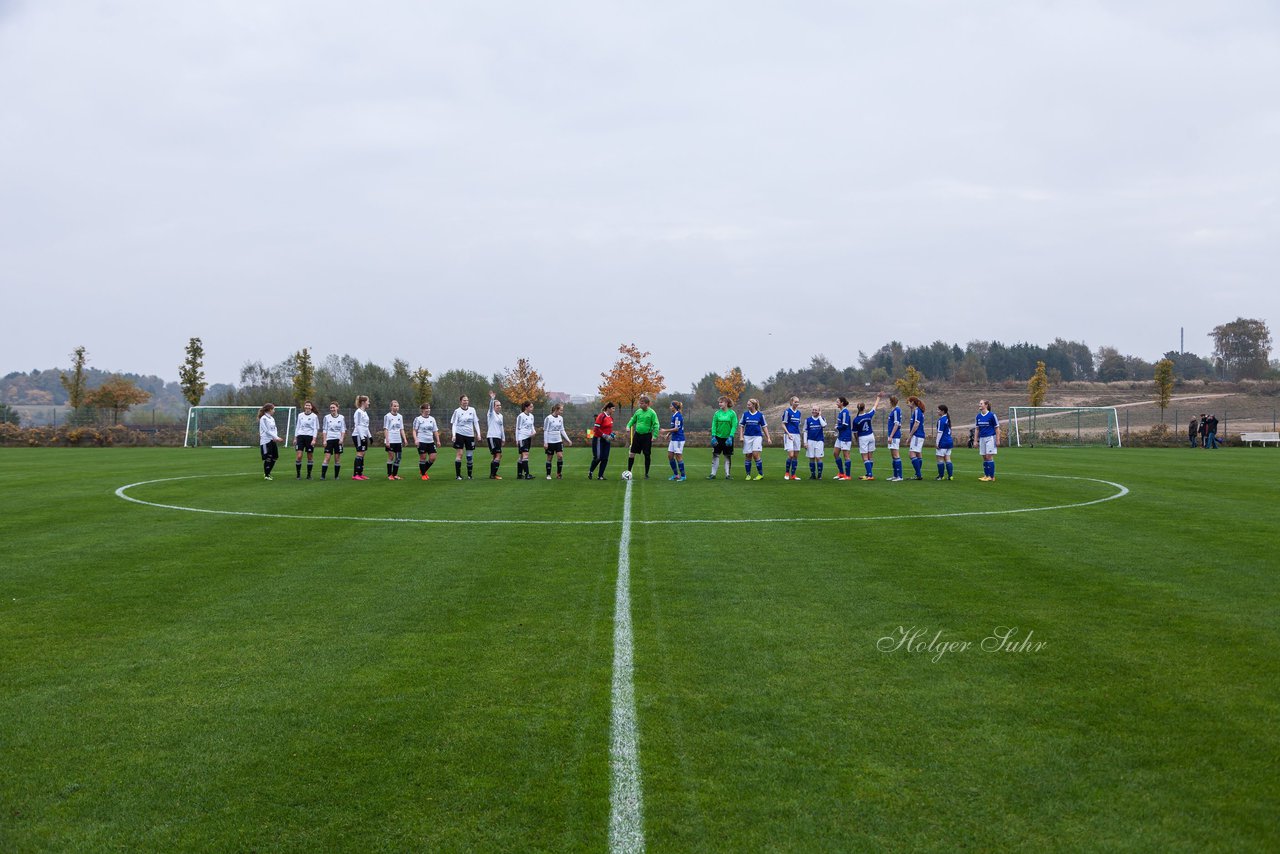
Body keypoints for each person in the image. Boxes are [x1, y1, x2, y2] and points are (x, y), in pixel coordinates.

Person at [626, 395, 661, 479]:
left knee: (647, 455)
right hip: (637, 435)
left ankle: (646, 474)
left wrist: (655, 435)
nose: (640, 405)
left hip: (647, 436)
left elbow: (656, 424)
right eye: (639, 403)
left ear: (647, 404)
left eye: (641, 403)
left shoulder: (652, 413)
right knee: (631, 453)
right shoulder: (638, 411)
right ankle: (629, 472)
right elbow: (632, 420)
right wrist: (628, 426)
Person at [450, 395, 482, 480]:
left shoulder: (472, 410)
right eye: (464, 400)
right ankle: (458, 475)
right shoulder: (457, 411)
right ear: (460, 401)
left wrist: (478, 434)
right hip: (459, 434)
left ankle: (470, 475)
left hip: (470, 435)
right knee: (460, 454)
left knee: (469, 456)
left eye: (467, 400)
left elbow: (476, 422)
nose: (466, 402)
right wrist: (454, 435)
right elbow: (454, 424)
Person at [738, 398, 771, 480]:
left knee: (755, 454)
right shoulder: (745, 414)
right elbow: (741, 426)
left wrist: (768, 438)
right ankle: (748, 475)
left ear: (753, 405)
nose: (747, 405)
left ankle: (760, 474)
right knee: (748, 455)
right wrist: (741, 436)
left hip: (757, 437)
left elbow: (764, 427)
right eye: (747, 404)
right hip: (747, 437)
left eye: (749, 404)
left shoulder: (760, 415)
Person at [853, 394, 882, 480]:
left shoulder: (856, 420)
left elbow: (855, 432)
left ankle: (869, 475)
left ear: (857, 409)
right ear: (864, 408)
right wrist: (878, 397)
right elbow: (875, 406)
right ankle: (869, 473)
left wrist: (856, 439)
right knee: (870, 457)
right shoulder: (869, 415)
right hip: (871, 436)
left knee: (865, 457)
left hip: (863, 438)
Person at [708, 396, 737, 479]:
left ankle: (728, 474)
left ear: (726, 403)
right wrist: (713, 436)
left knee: (727, 456)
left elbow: (734, 426)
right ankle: (713, 474)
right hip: (717, 438)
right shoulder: (717, 413)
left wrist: (731, 437)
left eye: (721, 402)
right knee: (715, 455)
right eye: (719, 402)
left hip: (728, 438)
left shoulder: (732, 413)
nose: (719, 404)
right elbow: (714, 425)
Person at [413, 403, 441, 480]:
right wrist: (416, 439)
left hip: (430, 442)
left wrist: (438, 440)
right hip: (421, 441)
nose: (428, 410)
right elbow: (414, 430)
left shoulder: (432, 419)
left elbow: (435, 431)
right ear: (422, 410)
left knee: (433, 457)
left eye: (429, 408)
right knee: (423, 457)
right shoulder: (418, 419)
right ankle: (423, 474)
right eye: (426, 408)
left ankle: (423, 469)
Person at [543, 402, 571, 478]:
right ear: (556, 409)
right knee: (549, 458)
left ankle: (559, 474)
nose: (562, 412)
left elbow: (562, 430)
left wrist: (568, 440)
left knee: (560, 456)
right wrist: (545, 442)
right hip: (550, 441)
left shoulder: (560, 418)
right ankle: (548, 474)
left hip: (558, 441)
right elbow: (545, 430)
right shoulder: (548, 418)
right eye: (561, 410)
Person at [588, 402, 615, 480]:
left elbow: (609, 430)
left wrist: (612, 435)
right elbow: (596, 429)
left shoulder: (611, 418)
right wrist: (604, 435)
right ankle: (590, 472)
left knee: (605, 458)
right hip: (599, 439)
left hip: (606, 441)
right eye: (613, 408)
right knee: (598, 457)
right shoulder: (601, 416)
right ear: (608, 408)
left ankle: (600, 476)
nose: (614, 410)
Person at [257, 403, 284, 480]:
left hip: (272, 440)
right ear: (269, 410)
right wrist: (276, 437)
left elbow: (274, 429)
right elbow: (266, 430)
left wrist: (275, 437)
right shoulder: (263, 418)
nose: (274, 411)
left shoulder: (272, 418)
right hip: (265, 441)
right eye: (273, 409)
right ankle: (266, 475)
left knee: (275, 457)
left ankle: (268, 473)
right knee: (268, 457)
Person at [661, 400, 686, 481]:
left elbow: (676, 429)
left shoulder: (678, 416)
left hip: (679, 439)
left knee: (678, 456)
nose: (670, 407)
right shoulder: (674, 415)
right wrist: (668, 435)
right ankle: (676, 475)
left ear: (675, 407)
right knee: (670, 456)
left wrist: (665, 431)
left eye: (671, 406)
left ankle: (683, 476)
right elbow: (673, 428)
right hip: (674, 438)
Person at [320, 401, 346, 480]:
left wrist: (341, 439)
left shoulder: (341, 417)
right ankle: (323, 476)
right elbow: (324, 430)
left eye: (333, 407)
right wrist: (324, 440)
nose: (332, 409)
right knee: (327, 457)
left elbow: (343, 430)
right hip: (329, 440)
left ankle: (336, 476)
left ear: (337, 408)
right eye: (331, 408)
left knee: (337, 458)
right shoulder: (326, 417)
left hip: (338, 440)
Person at [382, 400, 408, 480]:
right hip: (390, 439)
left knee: (398, 457)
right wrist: (387, 440)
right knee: (391, 456)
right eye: (394, 406)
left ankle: (395, 474)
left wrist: (405, 439)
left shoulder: (400, 416)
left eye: (397, 406)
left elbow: (401, 429)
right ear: (391, 407)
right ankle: (389, 475)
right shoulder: (387, 416)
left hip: (398, 440)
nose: (396, 407)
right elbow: (385, 429)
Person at [294, 400, 319, 479]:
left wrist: (314, 439)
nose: (307, 407)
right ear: (304, 406)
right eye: (306, 405)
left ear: (311, 407)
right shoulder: (300, 415)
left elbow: (315, 428)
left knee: (310, 456)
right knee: (299, 456)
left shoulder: (314, 416)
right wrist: (295, 438)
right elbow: (297, 426)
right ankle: (298, 475)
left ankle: (309, 475)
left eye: (309, 405)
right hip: (300, 436)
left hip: (310, 437)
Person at [976, 399, 1000, 481]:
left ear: (986, 405)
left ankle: (992, 476)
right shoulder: (978, 416)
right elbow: (977, 429)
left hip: (990, 438)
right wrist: (975, 440)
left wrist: (998, 439)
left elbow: (997, 428)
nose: (979, 405)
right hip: (982, 438)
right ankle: (986, 475)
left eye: (981, 403)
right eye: (979, 403)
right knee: (984, 457)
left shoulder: (992, 415)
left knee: (989, 457)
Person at [781, 396, 804, 480]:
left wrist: (800, 435)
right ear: (791, 402)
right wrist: (788, 433)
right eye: (795, 402)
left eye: (798, 402)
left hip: (797, 435)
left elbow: (798, 425)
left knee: (796, 456)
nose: (797, 403)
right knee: (791, 455)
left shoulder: (799, 413)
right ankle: (787, 473)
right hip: (789, 435)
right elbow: (783, 424)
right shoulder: (787, 412)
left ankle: (793, 475)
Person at [350, 395, 372, 480]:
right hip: (358, 435)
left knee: (363, 453)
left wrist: (370, 436)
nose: (369, 403)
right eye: (368, 401)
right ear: (363, 402)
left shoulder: (364, 412)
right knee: (359, 453)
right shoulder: (358, 412)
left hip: (363, 435)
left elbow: (366, 426)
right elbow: (358, 425)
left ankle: (360, 473)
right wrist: (362, 437)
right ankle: (355, 475)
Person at [906, 395, 927, 480]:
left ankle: (918, 474)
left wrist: (910, 436)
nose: (908, 404)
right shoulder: (918, 411)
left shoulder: (917, 411)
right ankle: (917, 474)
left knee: (911, 454)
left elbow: (916, 424)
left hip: (917, 435)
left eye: (909, 402)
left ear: (913, 402)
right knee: (918, 454)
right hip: (920, 435)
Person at [515, 401, 537, 479]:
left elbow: (532, 426)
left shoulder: (531, 416)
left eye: (532, 406)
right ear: (526, 407)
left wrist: (534, 431)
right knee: (525, 455)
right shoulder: (521, 416)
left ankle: (519, 474)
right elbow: (518, 428)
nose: (532, 408)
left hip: (528, 438)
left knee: (522, 456)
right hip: (522, 437)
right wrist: (517, 439)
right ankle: (527, 474)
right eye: (531, 406)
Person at [486, 391, 505, 479]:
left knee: (495, 456)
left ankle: (492, 474)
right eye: (497, 405)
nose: (499, 407)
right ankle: (493, 475)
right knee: (498, 455)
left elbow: (501, 427)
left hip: (498, 438)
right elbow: (490, 408)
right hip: (492, 437)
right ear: (494, 407)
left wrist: (503, 438)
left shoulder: (500, 416)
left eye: (500, 405)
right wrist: (492, 398)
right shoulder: (491, 414)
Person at [804, 405, 826, 479]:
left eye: (816, 410)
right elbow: (805, 431)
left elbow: (824, 425)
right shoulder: (808, 420)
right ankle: (813, 475)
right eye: (813, 410)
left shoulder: (822, 419)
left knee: (818, 457)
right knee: (811, 458)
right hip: (810, 441)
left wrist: (819, 416)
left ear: (819, 411)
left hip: (819, 441)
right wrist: (805, 442)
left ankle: (819, 475)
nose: (814, 411)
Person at [833, 397, 853, 480]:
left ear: (842, 403)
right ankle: (841, 473)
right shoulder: (841, 412)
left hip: (846, 437)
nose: (836, 403)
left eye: (837, 402)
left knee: (846, 456)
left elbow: (845, 425)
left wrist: (837, 427)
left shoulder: (845, 412)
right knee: (835, 453)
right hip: (840, 437)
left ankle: (847, 475)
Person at [886, 395, 904, 481]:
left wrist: (891, 436)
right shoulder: (894, 410)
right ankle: (895, 475)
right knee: (893, 455)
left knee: (896, 454)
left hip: (895, 436)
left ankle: (899, 476)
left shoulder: (897, 410)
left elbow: (897, 424)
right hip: (892, 435)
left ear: (892, 402)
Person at [934, 404, 954, 480]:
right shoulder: (947, 419)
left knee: (940, 459)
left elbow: (940, 432)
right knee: (948, 458)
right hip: (949, 441)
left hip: (943, 442)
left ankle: (941, 476)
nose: (937, 411)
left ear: (943, 411)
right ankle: (950, 476)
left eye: (938, 410)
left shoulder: (941, 420)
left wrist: (937, 442)